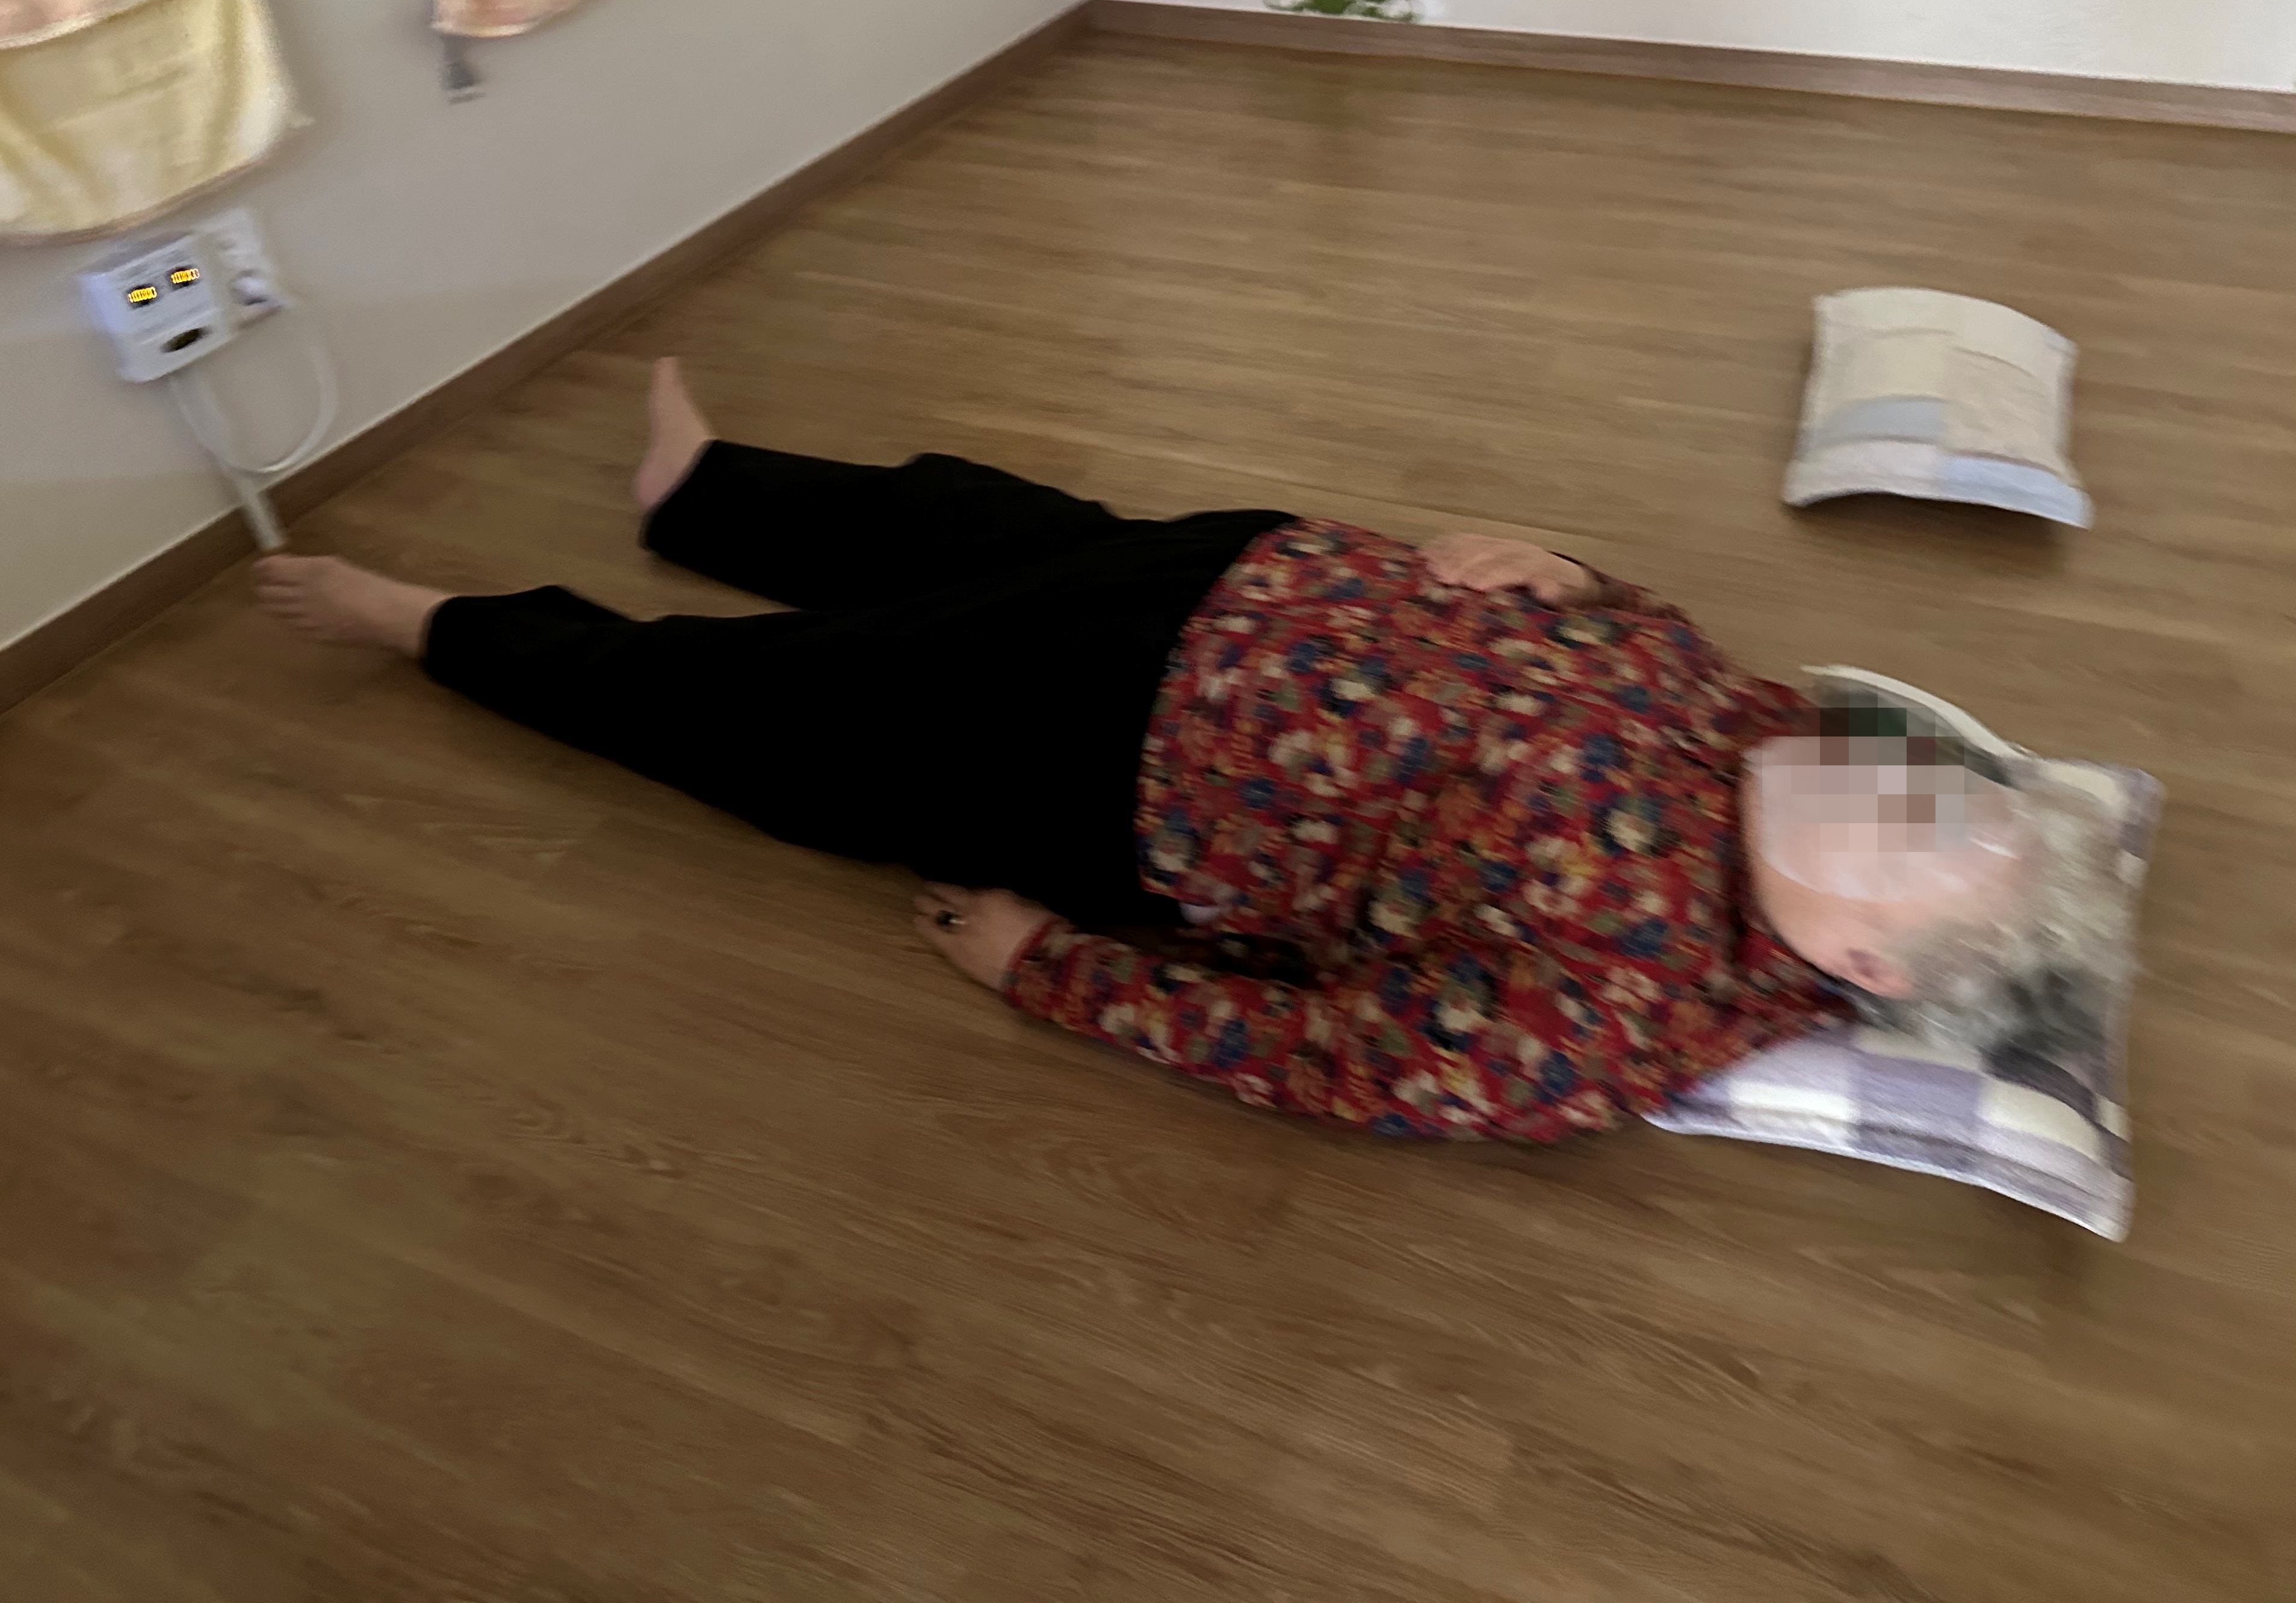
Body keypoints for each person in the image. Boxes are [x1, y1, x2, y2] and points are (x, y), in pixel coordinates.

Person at [256, 359, 2032, 1140]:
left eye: (1899, 828)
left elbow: (1341, 1057)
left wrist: (1053, 971)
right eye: (1913, 773)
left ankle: (421, 622)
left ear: (1860, 963)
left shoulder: (1626, 1010)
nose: (1872, 770)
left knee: (757, 710)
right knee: (973, 523)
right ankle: (707, 489)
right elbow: (1637, 630)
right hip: (1242, 573)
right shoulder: (1775, 734)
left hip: (1113, 752)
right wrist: (1564, 568)